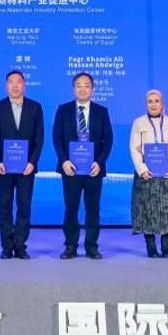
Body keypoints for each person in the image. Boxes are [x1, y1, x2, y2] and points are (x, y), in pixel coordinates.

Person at [52, 71, 114, 259]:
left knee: (93, 209)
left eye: (87, 86)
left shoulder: (101, 111)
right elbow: (57, 137)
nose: (83, 89)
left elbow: (108, 139)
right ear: (74, 89)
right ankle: (70, 246)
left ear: (92, 89)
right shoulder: (63, 110)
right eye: (79, 85)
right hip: (70, 169)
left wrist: (99, 162)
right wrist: (64, 161)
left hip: (93, 169)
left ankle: (91, 247)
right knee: (71, 209)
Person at [0, 70, 43, 259]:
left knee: (24, 207)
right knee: (5, 207)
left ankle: (20, 246)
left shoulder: (35, 107)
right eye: (11, 82)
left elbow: (39, 138)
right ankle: (6, 246)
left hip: (27, 169)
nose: (15, 85)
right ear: (6, 86)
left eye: (19, 82)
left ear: (24, 85)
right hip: (3, 168)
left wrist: (32, 162)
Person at [129, 89, 168, 258]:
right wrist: (142, 169)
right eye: (150, 101)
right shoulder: (139, 122)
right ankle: (151, 247)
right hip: (147, 173)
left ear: (162, 104)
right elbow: (134, 148)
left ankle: (166, 247)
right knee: (147, 210)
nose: (153, 104)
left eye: (157, 101)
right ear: (146, 104)